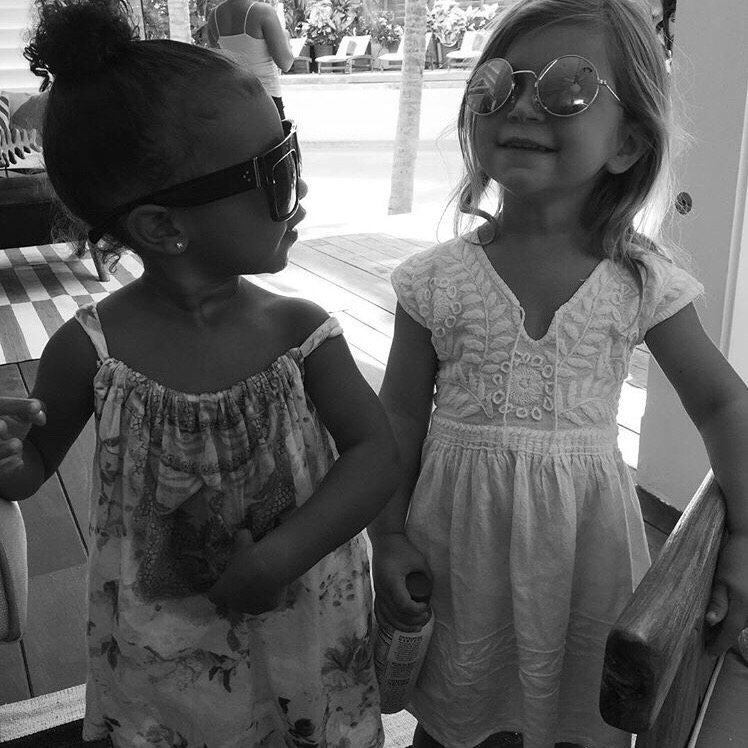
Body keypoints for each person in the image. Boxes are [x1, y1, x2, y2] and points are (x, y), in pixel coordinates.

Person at [0, 1, 398, 746]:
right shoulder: (90, 350)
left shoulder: (300, 332)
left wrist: (285, 551)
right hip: (164, 653)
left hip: (303, 624)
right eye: (275, 173)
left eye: (291, 152)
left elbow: (376, 454)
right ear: (163, 226)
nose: (300, 189)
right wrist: (10, 454)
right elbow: (30, 470)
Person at [368, 0, 748, 746]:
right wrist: (385, 534)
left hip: (582, 556)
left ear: (627, 142)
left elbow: (722, 405)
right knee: (455, 723)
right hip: (458, 552)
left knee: (576, 721)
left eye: (567, 88)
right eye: (497, 84)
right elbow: (400, 415)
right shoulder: (435, 281)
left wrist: (745, 533)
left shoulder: (639, 280)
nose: (521, 107)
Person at [208, 0, 294, 118]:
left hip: (233, 97)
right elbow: (286, 63)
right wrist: (286, 37)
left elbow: (219, 61)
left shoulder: (213, 16)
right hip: (267, 98)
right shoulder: (263, 11)